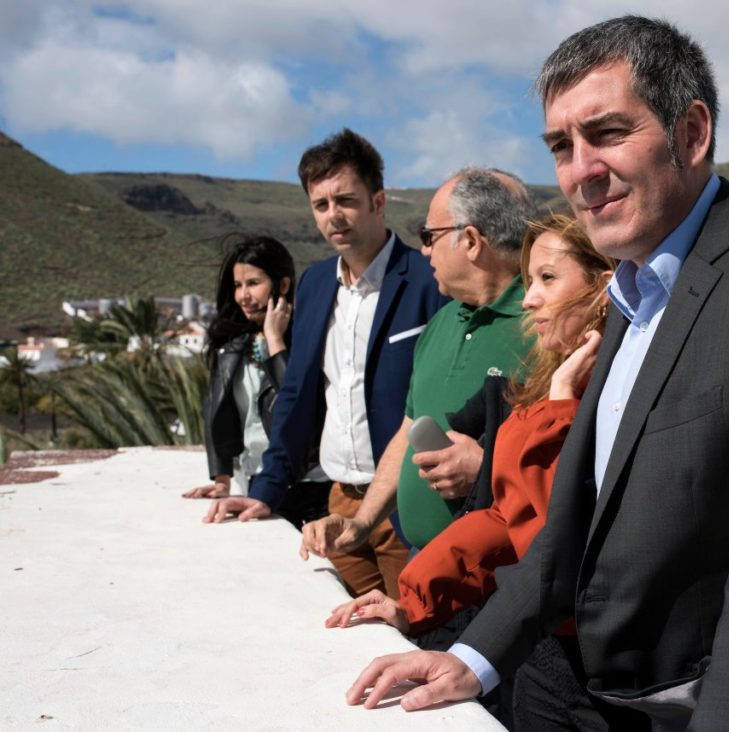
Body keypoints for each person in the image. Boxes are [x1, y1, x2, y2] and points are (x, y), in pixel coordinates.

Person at [345, 16, 729, 731]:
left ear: (692, 132)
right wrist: (475, 655)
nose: (581, 170)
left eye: (608, 133)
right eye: (561, 146)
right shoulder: (633, 293)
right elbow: (575, 525)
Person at [323, 215, 613, 729]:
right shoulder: (541, 383)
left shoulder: (613, 390)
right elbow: (503, 519)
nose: (529, 298)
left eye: (548, 278)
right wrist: (410, 603)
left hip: (607, 665)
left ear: (604, 285)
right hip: (539, 651)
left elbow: (556, 537)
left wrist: (562, 403)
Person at [204, 129, 446, 600]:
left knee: (416, 640)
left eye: (346, 200)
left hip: (408, 504)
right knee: (352, 636)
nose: (333, 216)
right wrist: (265, 490)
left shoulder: (426, 279)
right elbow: (296, 395)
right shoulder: (315, 286)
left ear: (378, 201)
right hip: (337, 505)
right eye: (321, 204)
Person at [299, 167, 536, 562]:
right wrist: (362, 523)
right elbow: (409, 430)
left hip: (498, 580)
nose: (424, 249)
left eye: (430, 236)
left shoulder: (545, 325)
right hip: (425, 562)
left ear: (472, 241)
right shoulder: (443, 320)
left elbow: (578, 459)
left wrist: (488, 468)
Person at [185, 235, 321, 527]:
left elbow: (298, 406)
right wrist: (221, 480)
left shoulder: (307, 339)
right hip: (253, 486)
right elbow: (217, 412)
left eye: (253, 283)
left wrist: (275, 340)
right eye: (237, 285)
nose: (243, 295)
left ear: (282, 285)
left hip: (307, 489)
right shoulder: (232, 347)